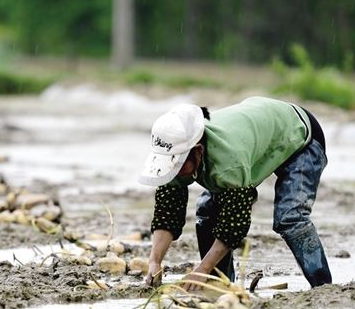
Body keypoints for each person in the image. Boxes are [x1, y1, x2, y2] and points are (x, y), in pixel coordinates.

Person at [138, 96, 332, 291]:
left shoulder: (229, 164)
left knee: (290, 217)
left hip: (299, 134)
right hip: (259, 131)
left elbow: (234, 226)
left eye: (179, 164)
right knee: (207, 212)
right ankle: (221, 286)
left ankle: (323, 287)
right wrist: (154, 261)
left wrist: (202, 269)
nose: (175, 170)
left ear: (197, 151)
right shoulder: (178, 157)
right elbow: (167, 213)